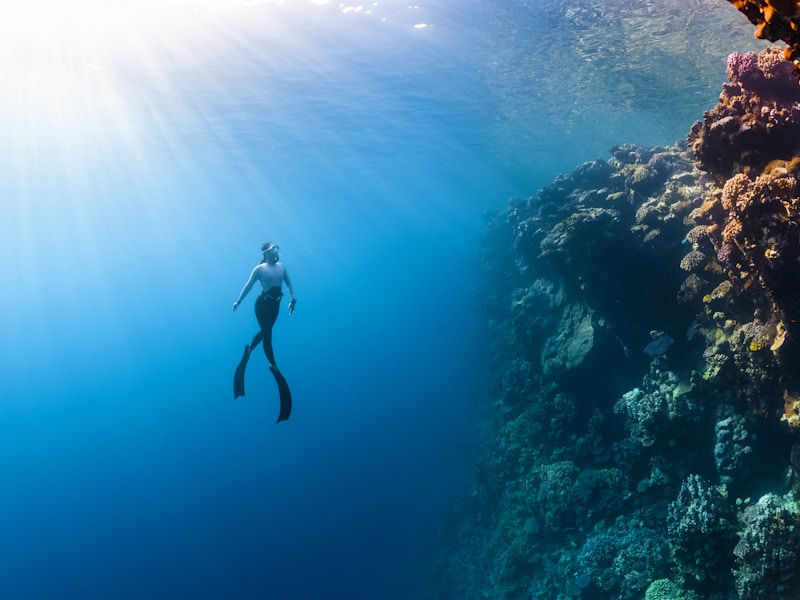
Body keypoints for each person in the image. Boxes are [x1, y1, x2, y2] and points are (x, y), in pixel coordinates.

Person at [233, 242, 297, 373]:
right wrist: (238, 301)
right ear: (266, 252)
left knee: (265, 331)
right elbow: (248, 286)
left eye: (277, 248)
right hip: (262, 305)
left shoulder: (281, 266)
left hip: (275, 306)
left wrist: (293, 299)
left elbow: (289, 284)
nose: (277, 250)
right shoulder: (259, 269)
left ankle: (250, 348)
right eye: (274, 248)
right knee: (268, 335)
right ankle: (273, 364)